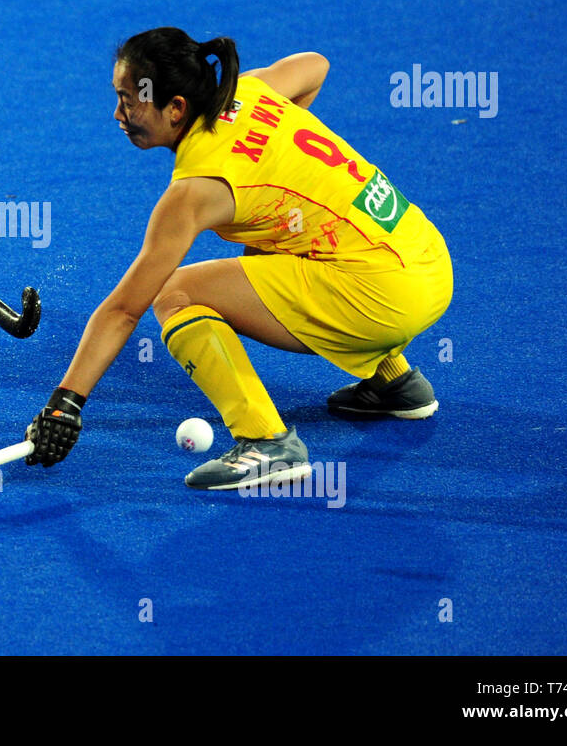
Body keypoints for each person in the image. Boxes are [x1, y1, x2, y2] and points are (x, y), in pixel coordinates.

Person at [22, 28, 453, 489]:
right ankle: (396, 383)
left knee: (175, 294)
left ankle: (267, 442)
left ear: (177, 108)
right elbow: (315, 65)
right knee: (299, 239)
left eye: (130, 101)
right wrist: (273, 160)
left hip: (381, 298)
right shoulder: (249, 90)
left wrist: (65, 402)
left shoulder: (193, 192)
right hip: (428, 262)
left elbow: (125, 310)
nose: (119, 114)